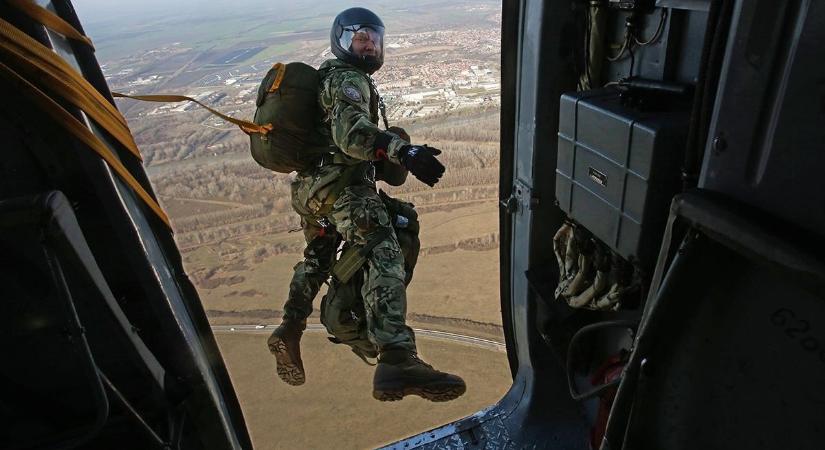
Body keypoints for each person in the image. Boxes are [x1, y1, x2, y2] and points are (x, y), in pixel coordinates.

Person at [266, 7, 466, 402]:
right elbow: (351, 136)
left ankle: (289, 327)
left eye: (375, 36)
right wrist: (404, 151)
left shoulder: (331, 77)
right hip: (341, 187)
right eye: (360, 36)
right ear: (342, 41)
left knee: (319, 256)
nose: (370, 43)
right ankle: (396, 355)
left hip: (314, 191)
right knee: (385, 245)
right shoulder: (348, 79)